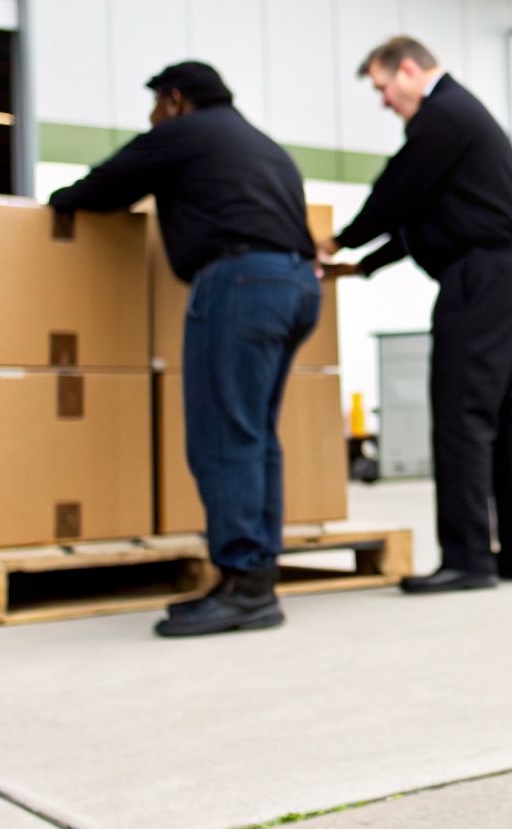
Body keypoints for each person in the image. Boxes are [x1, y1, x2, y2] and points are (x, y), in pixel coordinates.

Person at [49, 61, 321, 637]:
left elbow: (102, 188)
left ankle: (245, 586)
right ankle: (251, 577)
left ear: (174, 100)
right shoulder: (262, 144)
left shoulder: (183, 133)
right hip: (297, 286)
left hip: (241, 283)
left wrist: (59, 200)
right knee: (254, 436)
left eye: (153, 106)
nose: (150, 119)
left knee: (223, 437)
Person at [324, 36, 512, 593]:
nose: (383, 102)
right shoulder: (459, 118)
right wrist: (365, 264)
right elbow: (420, 215)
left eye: (382, 88)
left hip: (479, 277)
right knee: (509, 415)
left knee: (460, 414)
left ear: (406, 70)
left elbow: (397, 190)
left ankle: (467, 560)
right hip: (510, 272)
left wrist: (336, 241)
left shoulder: (442, 112)